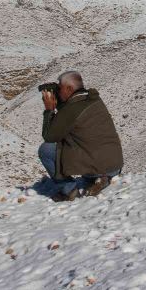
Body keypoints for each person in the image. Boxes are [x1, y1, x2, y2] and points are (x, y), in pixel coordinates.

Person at [39, 71, 124, 201]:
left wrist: (49, 110)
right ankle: (101, 179)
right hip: (115, 165)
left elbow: (49, 136)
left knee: (46, 149)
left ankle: (69, 190)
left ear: (69, 89)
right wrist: (60, 101)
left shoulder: (71, 110)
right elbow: (70, 113)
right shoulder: (93, 99)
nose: (58, 91)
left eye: (59, 88)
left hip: (97, 165)